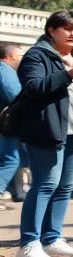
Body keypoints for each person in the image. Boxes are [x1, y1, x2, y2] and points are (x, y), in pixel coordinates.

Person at [15, 11, 73, 257]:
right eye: (67, 29)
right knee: (45, 185)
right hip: (48, 131)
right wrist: (70, 74)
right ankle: (29, 243)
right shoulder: (36, 55)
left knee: (65, 188)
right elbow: (33, 88)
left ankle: (51, 239)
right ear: (51, 30)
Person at [0, 45, 24, 210]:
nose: (21, 59)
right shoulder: (5, 71)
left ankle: (15, 192)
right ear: (10, 56)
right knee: (12, 159)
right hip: (6, 125)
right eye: (19, 55)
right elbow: (16, 96)